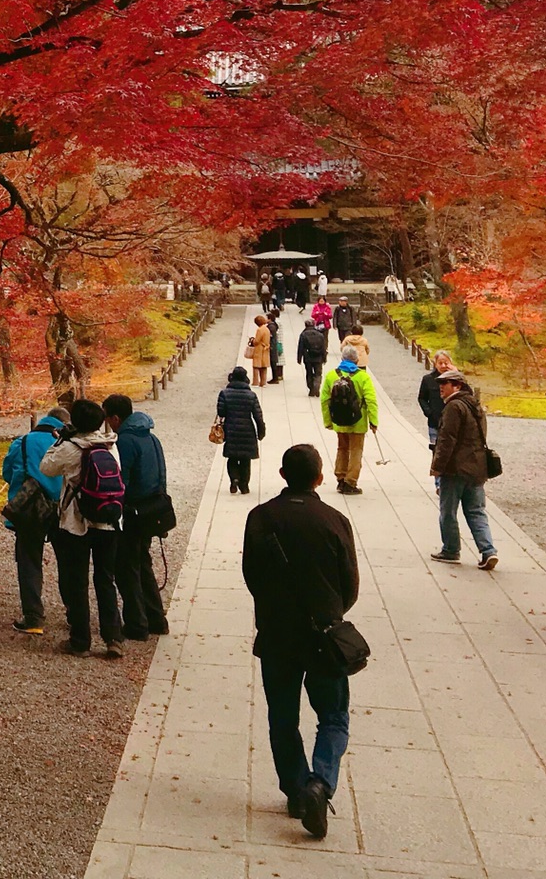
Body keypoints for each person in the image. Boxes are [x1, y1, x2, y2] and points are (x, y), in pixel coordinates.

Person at [242, 444, 359, 839]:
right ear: (320, 477)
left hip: (277, 634)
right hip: (324, 634)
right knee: (333, 715)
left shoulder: (259, 518)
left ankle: (295, 789)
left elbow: (252, 577)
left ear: (281, 474)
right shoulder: (334, 520)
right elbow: (350, 585)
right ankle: (320, 784)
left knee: (283, 716)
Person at [40, 398, 127, 658]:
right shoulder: (110, 445)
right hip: (109, 521)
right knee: (105, 579)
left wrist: (60, 439)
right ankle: (113, 638)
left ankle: (81, 640)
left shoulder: (70, 447)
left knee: (77, 581)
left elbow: (46, 467)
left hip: (76, 523)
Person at [104, 392, 170, 638]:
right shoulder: (151, 437)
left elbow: (123, 481)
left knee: (127, 568)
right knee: (143, 564)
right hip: (152, 508)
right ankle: (156, 618)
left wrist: (116, 509)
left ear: (116, 418)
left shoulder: (124, 442)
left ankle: (136, 624)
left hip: (132, 511)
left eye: (108, 418)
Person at [1, 403, 70, 634]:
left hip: (31, 510)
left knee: (29, 561)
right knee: (69, 562)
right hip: (63, 510)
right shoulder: (68, 443)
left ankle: (34, 619)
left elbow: (7, 473)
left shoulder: (23, 442)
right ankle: (74, 613)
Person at [429, 369, 497, 570]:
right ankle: (488, 551)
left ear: (457, 386)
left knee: (448, 511)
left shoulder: (454, 407)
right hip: (477, 468)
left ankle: (451, 549)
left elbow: (446, 440)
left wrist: (437, 468)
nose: (441, 387)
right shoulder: (475, 406)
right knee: (476, 511)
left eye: (446, 383)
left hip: (456, 469)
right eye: (440, 383)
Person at [319, 344, 380, 495]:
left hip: (339, 421)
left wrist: (328, 421)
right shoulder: (363, 376)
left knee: (342, 448)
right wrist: (373, 421)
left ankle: (340, 476)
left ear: (342, 358)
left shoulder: (332, 375)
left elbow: (325, 400)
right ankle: (351, 482)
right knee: (356, 450)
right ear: (357, 359)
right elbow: (371, 400)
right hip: (358, 421)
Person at [217, 366, 267, 494]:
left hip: (231, 428)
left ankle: (234, 479)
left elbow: (221, 412)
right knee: (245, 459)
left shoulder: (224, 393)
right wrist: (261, 431)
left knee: (232, 457)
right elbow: (258, 415)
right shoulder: (251, 395)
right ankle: (244, 485)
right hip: (247, 430)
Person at [415, 350, 459, 481]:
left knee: (453, 451)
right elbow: (422, 398)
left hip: (453, 422)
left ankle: (449, 479)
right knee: (437, 452)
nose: (444, 365)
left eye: (446, 362)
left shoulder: (456, 380)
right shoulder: (428, 379)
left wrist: (456, 373)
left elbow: (467, 394)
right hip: (435, 421)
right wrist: (429, 412)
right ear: (435, 364)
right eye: (441, 363)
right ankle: (439, 483)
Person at [297, 319, 329, 399]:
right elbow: (323, 347)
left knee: (309, 373)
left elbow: (300, 347)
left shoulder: (303, 334)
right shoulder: (320, 335)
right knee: (318, 373)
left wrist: (299, 358)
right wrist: (324, 357)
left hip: (308, 357)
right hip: (318, 358)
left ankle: (311, 388)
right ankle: (317, 386)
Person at [247, 313, 272, 387]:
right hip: (266, 348)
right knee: (264, 366)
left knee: (256, 366)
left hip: (259, 349)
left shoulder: (260, 329)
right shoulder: (267, 329)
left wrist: (252, 341)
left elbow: (257, 341)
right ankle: (263, 382)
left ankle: (255, 382)